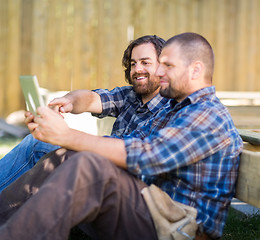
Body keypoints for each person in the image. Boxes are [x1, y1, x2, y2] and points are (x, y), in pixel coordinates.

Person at [0, 32, 243, 240]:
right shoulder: (183, 107)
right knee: (71, 157)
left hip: (179, 227)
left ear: (196, 70)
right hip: (156, 206)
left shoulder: (207, 114)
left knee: (88, 165)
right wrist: (67, 134)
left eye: (167, 65)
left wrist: (66, 135)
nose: (159, 71)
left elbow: (147, 156)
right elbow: (132, 145)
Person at [0, 35, 168, 192]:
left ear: (163, 67)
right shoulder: (130, 96)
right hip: (101, 166)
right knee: (40, 155)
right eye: (133, 63)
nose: (137, 69)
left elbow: (127, 151)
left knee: (38, 146)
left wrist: (63, 135)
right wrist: (68, 101)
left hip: (125, 186)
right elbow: (91, 98)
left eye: (145, 63)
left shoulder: (168, 109)